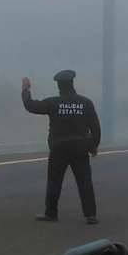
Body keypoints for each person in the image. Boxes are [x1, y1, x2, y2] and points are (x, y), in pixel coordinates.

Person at [22, 70, 101, 224]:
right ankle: (90, 215)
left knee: (54, 181)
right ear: (72, 84)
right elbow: (95, 128)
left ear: (59, 86)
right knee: (84, 180)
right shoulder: (86, 103)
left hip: (59, 147)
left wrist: (25, 90)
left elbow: (31, 106)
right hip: (80, 147)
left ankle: (51, 212)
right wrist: (93, 145)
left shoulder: (54, 103)